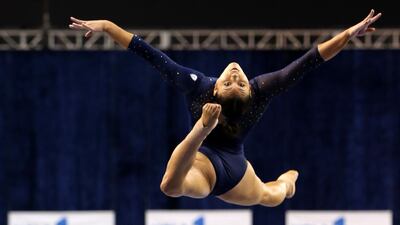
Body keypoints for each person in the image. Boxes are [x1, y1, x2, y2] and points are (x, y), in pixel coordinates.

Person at [69, 9, 381, 207]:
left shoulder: (205, 88)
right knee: (171, 187)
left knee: (270, 196)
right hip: (204, 160)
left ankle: (286, 182)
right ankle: (206, 134)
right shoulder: (252, 89)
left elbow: (150, 55)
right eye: (237, 82)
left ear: (216, 90)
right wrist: (349, 34)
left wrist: (109, 27)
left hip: (233, 166)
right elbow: (312, 59)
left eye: (236, 83)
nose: (235, 76)